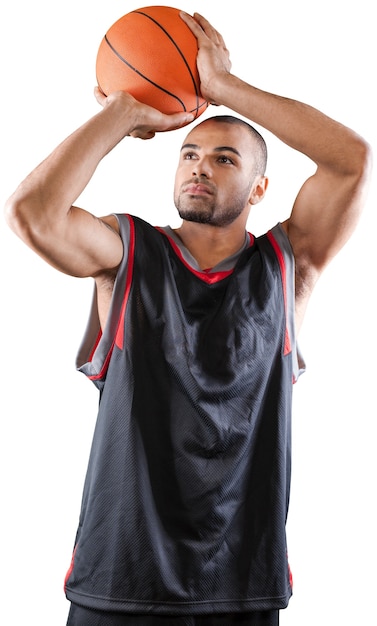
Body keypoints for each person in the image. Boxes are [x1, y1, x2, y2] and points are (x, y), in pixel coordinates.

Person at [4, 10, 371, 626]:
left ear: (259, 188)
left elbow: (352, 160)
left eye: (226, 159)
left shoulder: (289, 266)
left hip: (239, 587)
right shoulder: (125, 254)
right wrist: (120, 112)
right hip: (117, 581)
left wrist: (222, 85)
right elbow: (32, 214)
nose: (200, 165)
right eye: (191, 153)